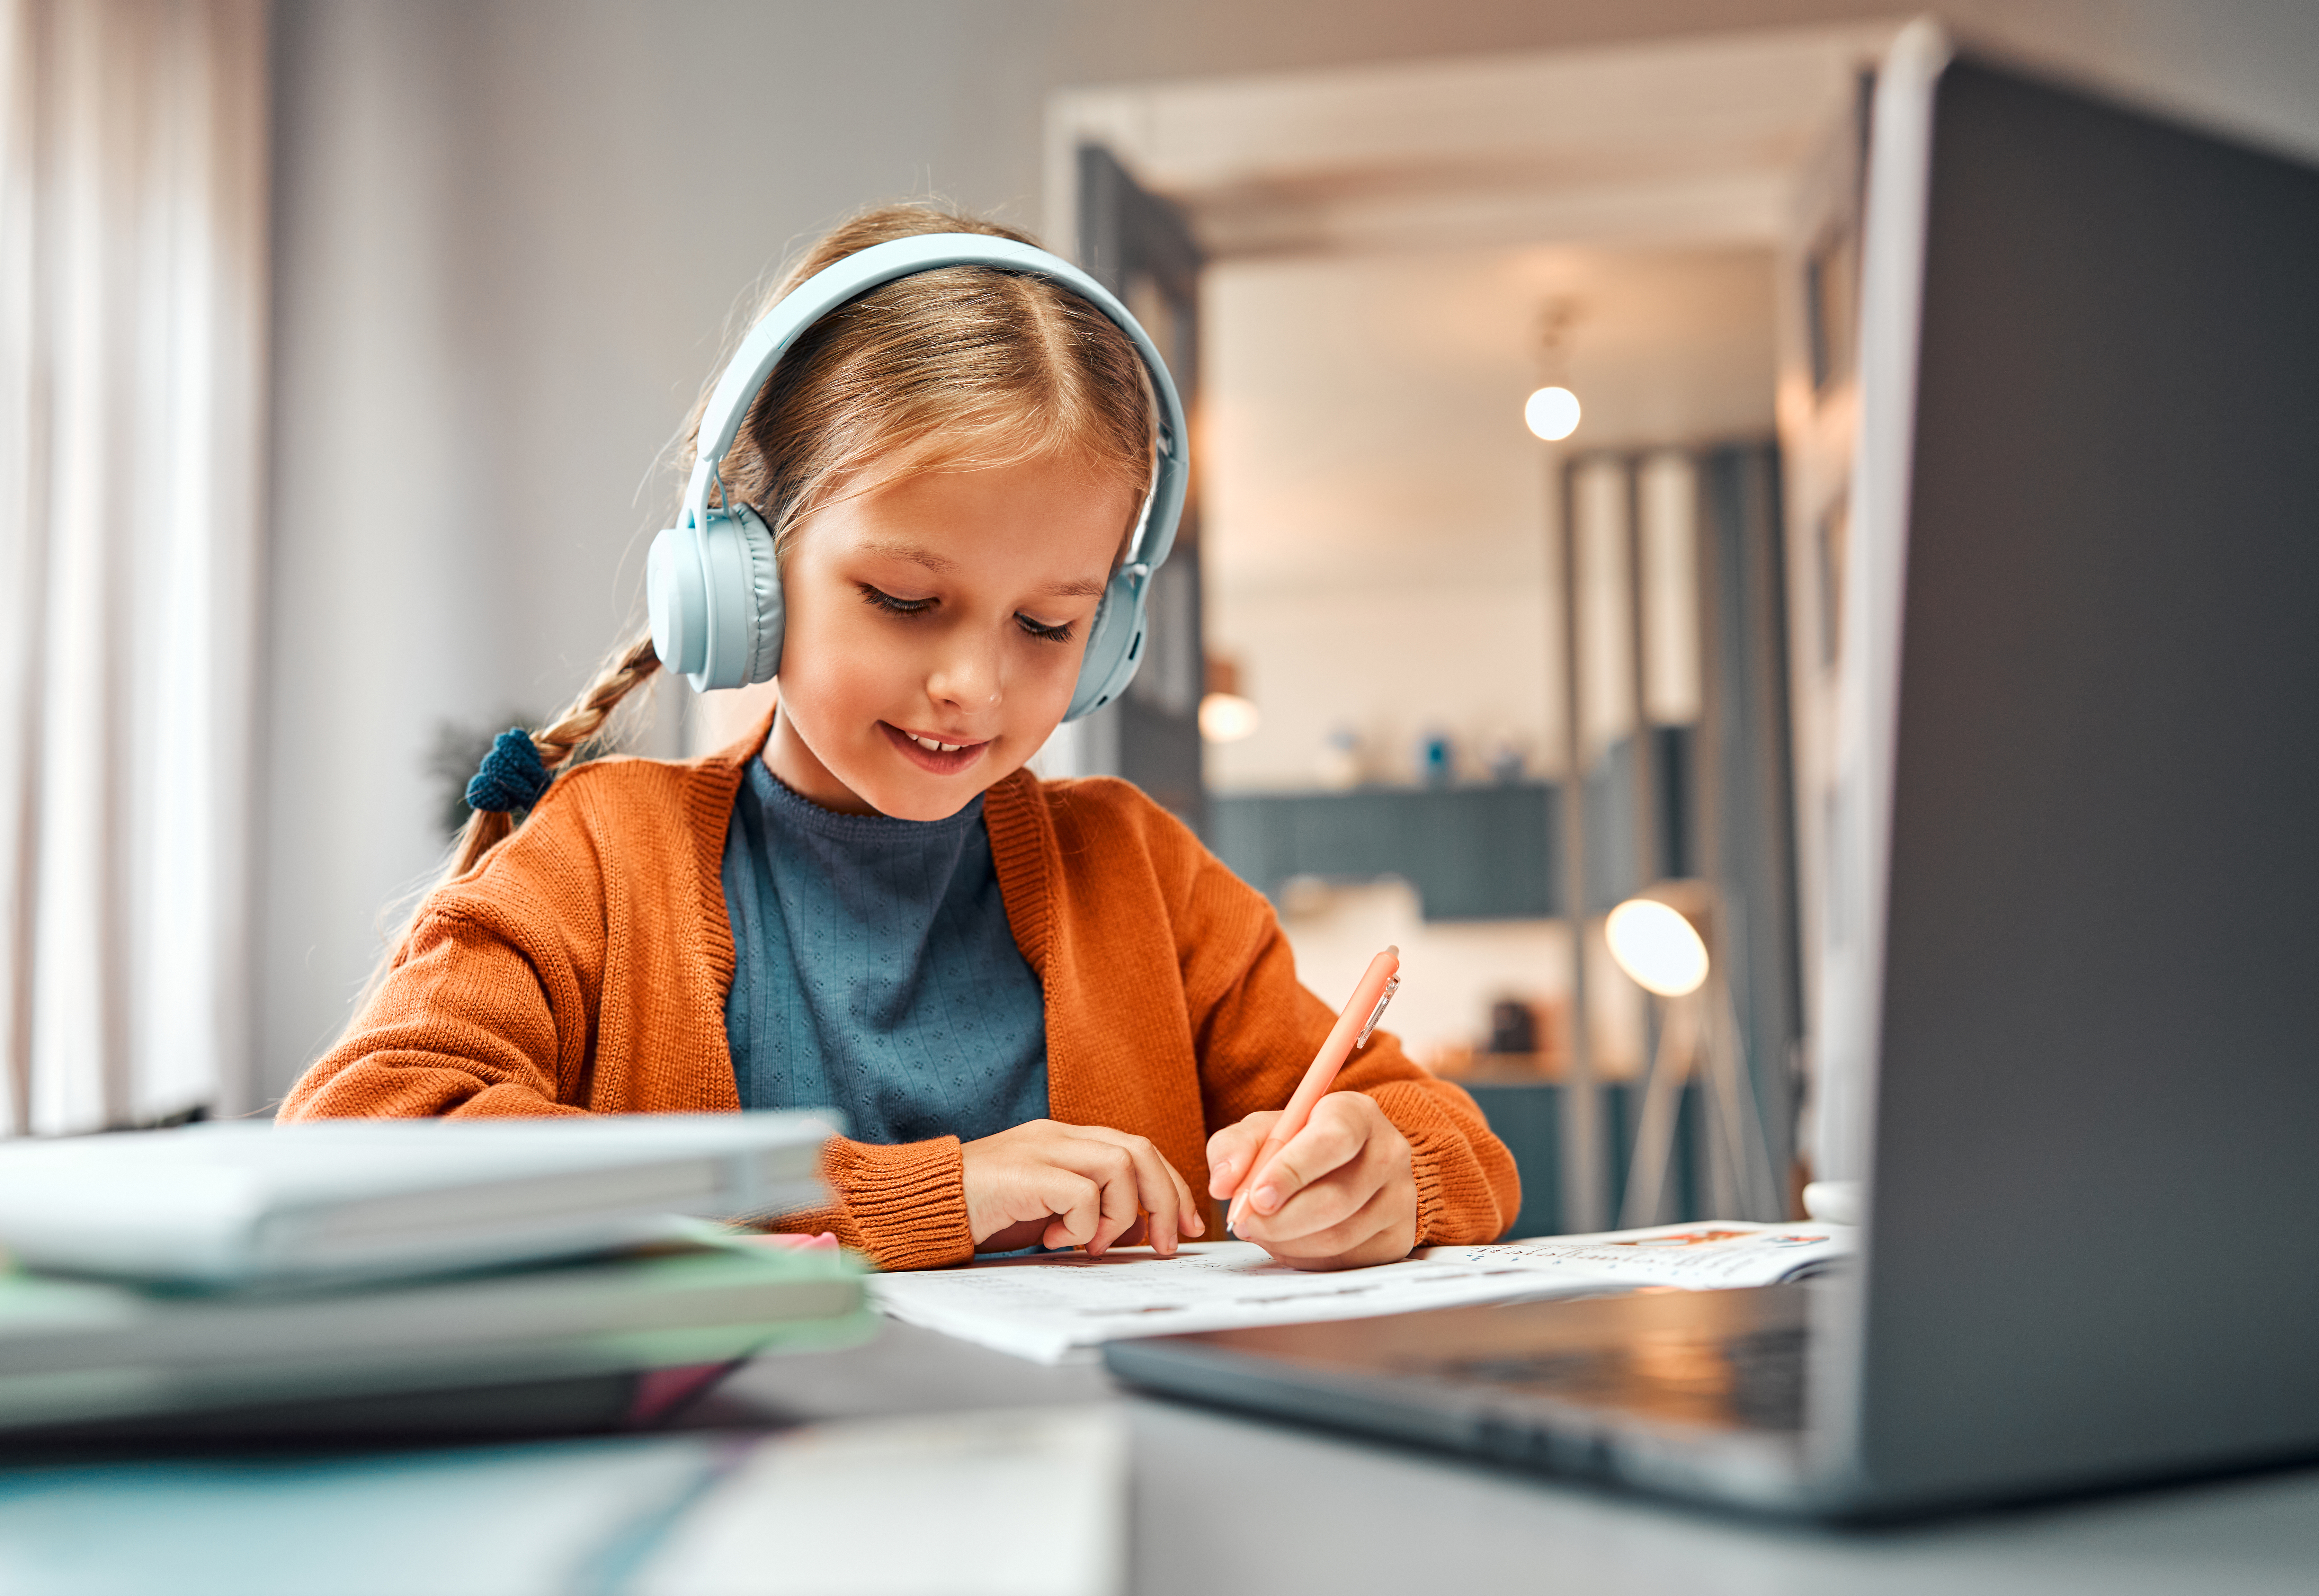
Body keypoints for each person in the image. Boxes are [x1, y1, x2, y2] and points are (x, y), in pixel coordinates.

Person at [280, 203, 1519, 1271]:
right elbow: (358, 1146)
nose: (973, 687)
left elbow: (1454, 1141)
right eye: (906, 602)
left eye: (1047, 623)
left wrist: (1386, 1171)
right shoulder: (603, 860)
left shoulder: (1141, 879)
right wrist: (918, 1198)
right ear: (746, 571)